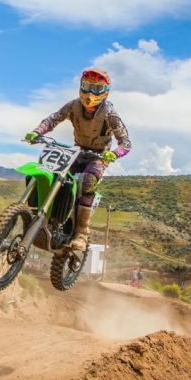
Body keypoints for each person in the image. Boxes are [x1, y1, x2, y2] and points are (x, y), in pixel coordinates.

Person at [24, 68, 131, 252]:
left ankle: (81, 233)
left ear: (105, 92)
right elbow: (53, 119)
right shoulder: (73, 106)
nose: (90, 93)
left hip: (99, 155)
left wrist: (114, 153)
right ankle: (48, 220)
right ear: (81, 87)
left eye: (96, 88)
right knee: (55, 175)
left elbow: (126, 142)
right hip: (77, 152)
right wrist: (37, 132)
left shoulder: (109, 113)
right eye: (87, 86)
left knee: (88, 181)